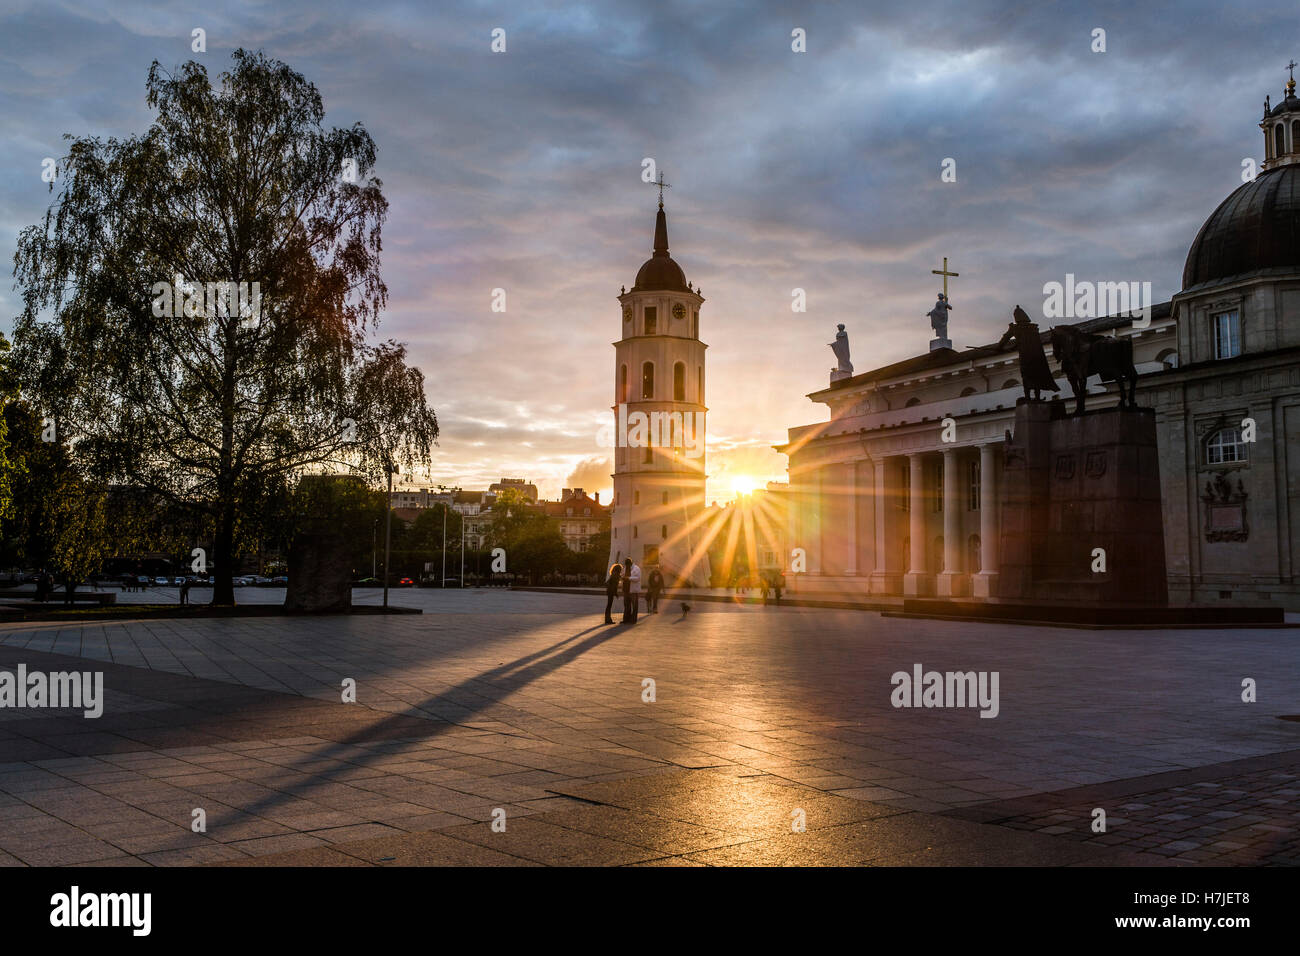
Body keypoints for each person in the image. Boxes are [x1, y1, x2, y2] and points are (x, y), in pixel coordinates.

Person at [621, 557, 641, 624]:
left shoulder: (636, 568)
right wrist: (622, 577)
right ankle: (626, 619)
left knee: (634, 606)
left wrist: (628, 578)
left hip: (633, 591)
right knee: (626, 605)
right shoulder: (625, 568)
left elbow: (638, 578)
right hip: (626, 590)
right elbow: (622, 575)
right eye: (626, 565)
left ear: (631, 563)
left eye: (628, 564)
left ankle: (633, 620)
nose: (627, 566)